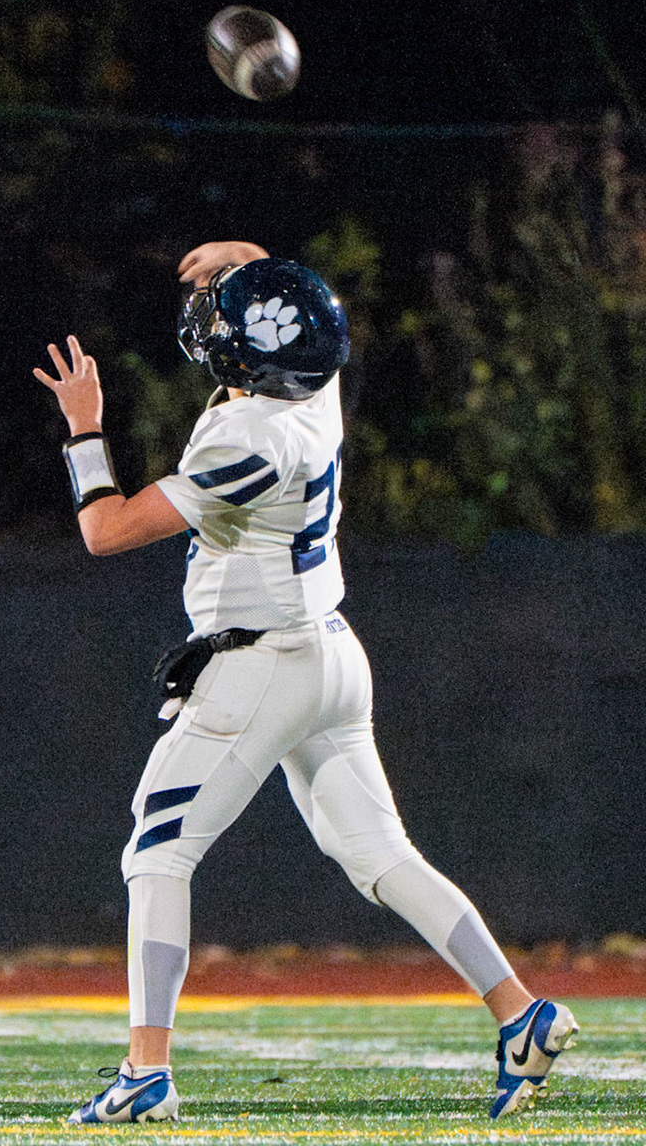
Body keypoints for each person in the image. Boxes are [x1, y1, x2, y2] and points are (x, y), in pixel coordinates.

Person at [34, 242, 578, 1123]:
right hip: (329, 652)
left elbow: (106, 531)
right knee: (379, 855)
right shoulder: (311, 386)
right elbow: (296, 315)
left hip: (260, 666)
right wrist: (248, 256)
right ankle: (521, 1012)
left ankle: (145, 1071)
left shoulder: (245, 435)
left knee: (158, 851)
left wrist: (85, 429)